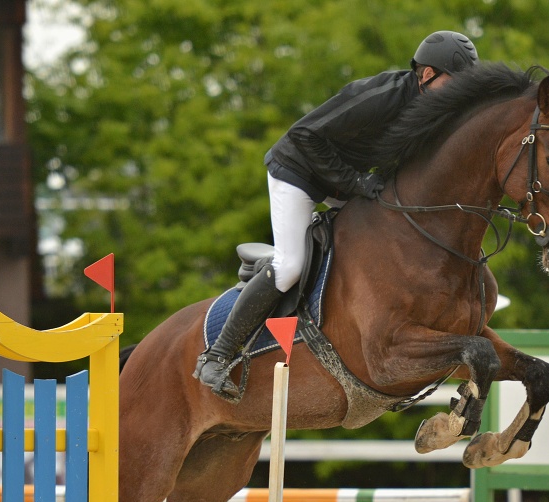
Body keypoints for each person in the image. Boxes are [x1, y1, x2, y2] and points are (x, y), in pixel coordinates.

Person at [195, 30, 480, 401]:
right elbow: (305, 136)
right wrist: (357, 182)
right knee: (289, 266)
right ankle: (215, 355)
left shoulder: (432, 108)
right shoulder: (380, 97)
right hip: (296, 171)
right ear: (427, 75)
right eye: (454, 84)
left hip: (343, 182)